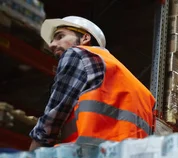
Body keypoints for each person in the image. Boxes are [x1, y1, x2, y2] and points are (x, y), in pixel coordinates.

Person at [29, 16, 155, 150]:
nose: (51, 45)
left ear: (85, 38)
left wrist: (33, 156)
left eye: (60, 36)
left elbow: (54, 115)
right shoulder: (144, 93)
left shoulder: (78, 54)